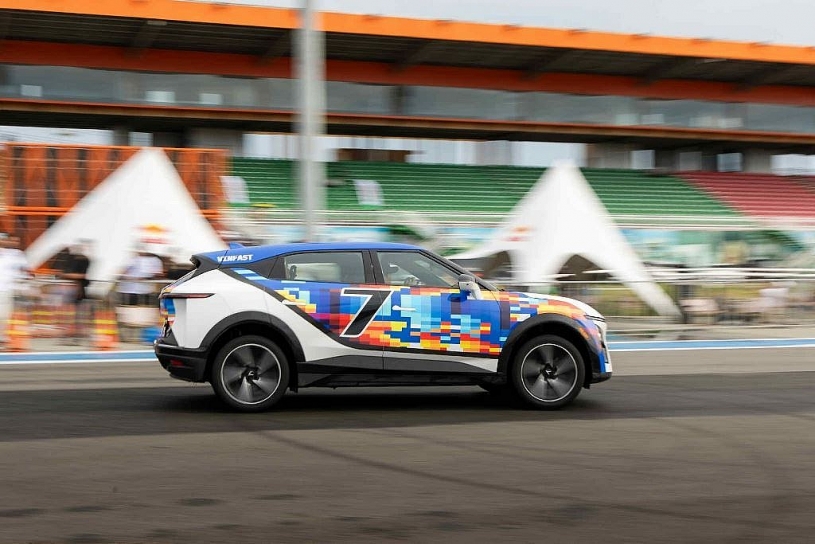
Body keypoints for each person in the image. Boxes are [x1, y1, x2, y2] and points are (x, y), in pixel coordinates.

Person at [0, 234, 31, 346]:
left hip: (7, 289)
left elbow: (25, 270)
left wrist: (23, 281)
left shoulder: (17, 254)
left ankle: (2, 337)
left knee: (4, 315)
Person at [60, 241, 92, 344]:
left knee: (79, 315)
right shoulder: (70, 259)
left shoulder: (84, 260)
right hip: (71, 289)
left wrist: (68, 275)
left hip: (79, 289)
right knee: (68, 314)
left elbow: (83, 275)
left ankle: (77, 337)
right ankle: (67, 335)